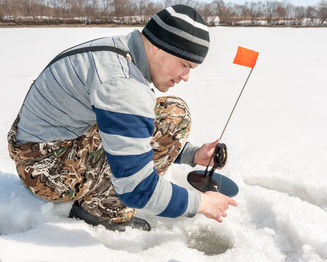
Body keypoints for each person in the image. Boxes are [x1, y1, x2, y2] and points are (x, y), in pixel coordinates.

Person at [7, 4, 237, 232]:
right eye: (184, 64)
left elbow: (129, 130)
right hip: (47, 173)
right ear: (158, 47)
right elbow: (137, 188)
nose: (185, 77)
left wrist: (191, 155)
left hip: (43, 149)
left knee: (169, 114)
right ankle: (102, 211)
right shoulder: (122, 83)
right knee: (174, 114)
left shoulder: (120, 50)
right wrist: (201, 204)